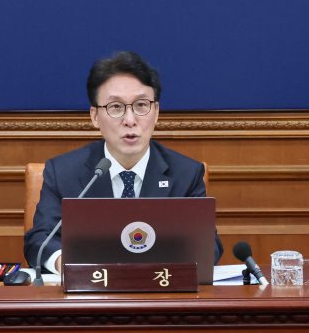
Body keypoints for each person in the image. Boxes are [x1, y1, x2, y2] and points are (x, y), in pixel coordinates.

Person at [24, 51, 223, 273]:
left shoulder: (186, 174)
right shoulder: (62, 173)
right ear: (95, 117)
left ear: (156, 112)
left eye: (141, 105)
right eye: (116, 107)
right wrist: (68, 266)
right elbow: (40, 239)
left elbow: (209, 245)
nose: (130, 120)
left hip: (160, 286)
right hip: (91, 289)